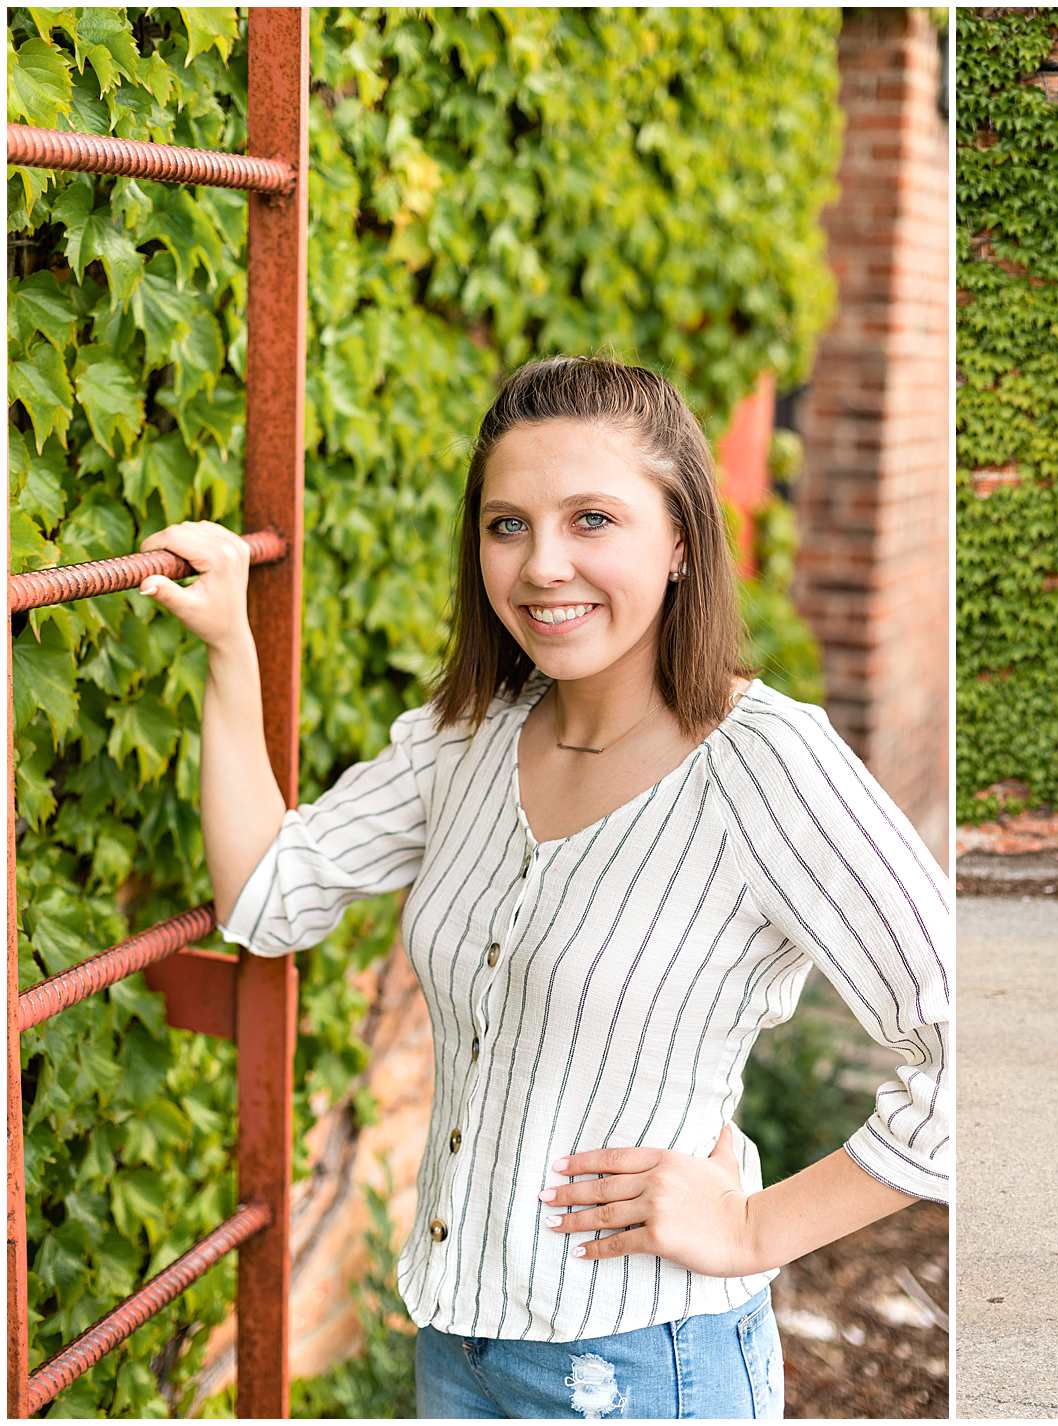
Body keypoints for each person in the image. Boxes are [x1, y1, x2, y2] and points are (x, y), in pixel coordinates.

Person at [139, 354, 951, 1418]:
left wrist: (753, 1230)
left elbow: (969, 1053)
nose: (540, 565)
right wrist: (231, 651)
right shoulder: (466, 741)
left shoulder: (767, 764)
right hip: (455, 1348)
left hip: (643, 1368)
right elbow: (270, 895)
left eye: (592, 520)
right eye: (506, 524)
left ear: (679, 543)